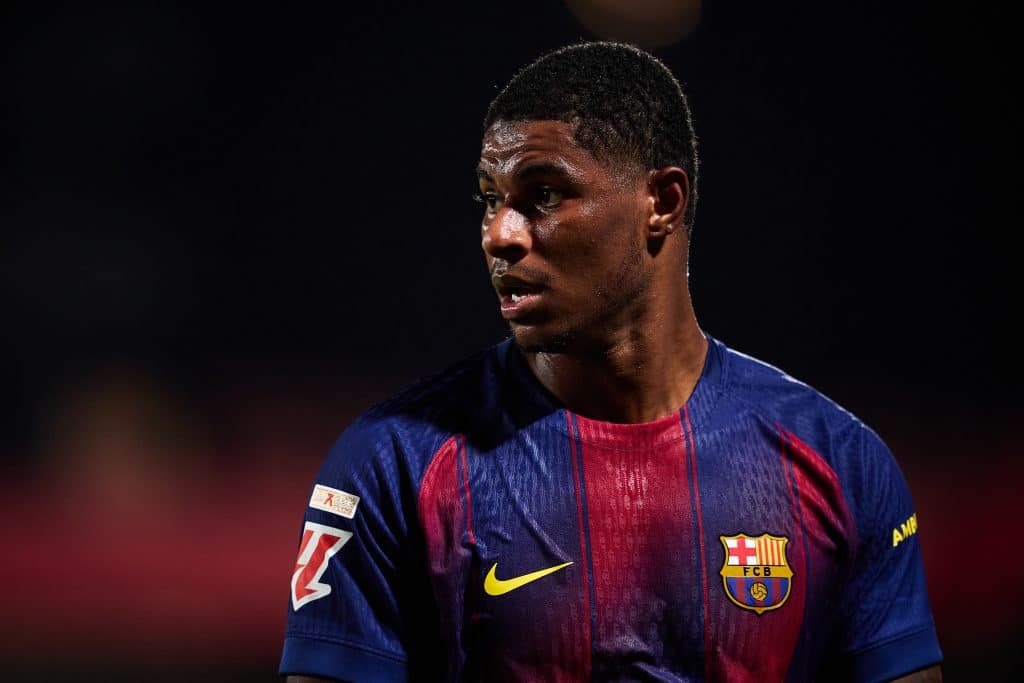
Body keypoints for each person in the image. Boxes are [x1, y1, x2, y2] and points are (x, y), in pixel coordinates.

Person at [279, 42, 942, 682]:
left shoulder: (840, 465)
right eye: (489, 197)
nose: (499, 234)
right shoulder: (391, 465)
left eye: (543, 194)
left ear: (662, 202)